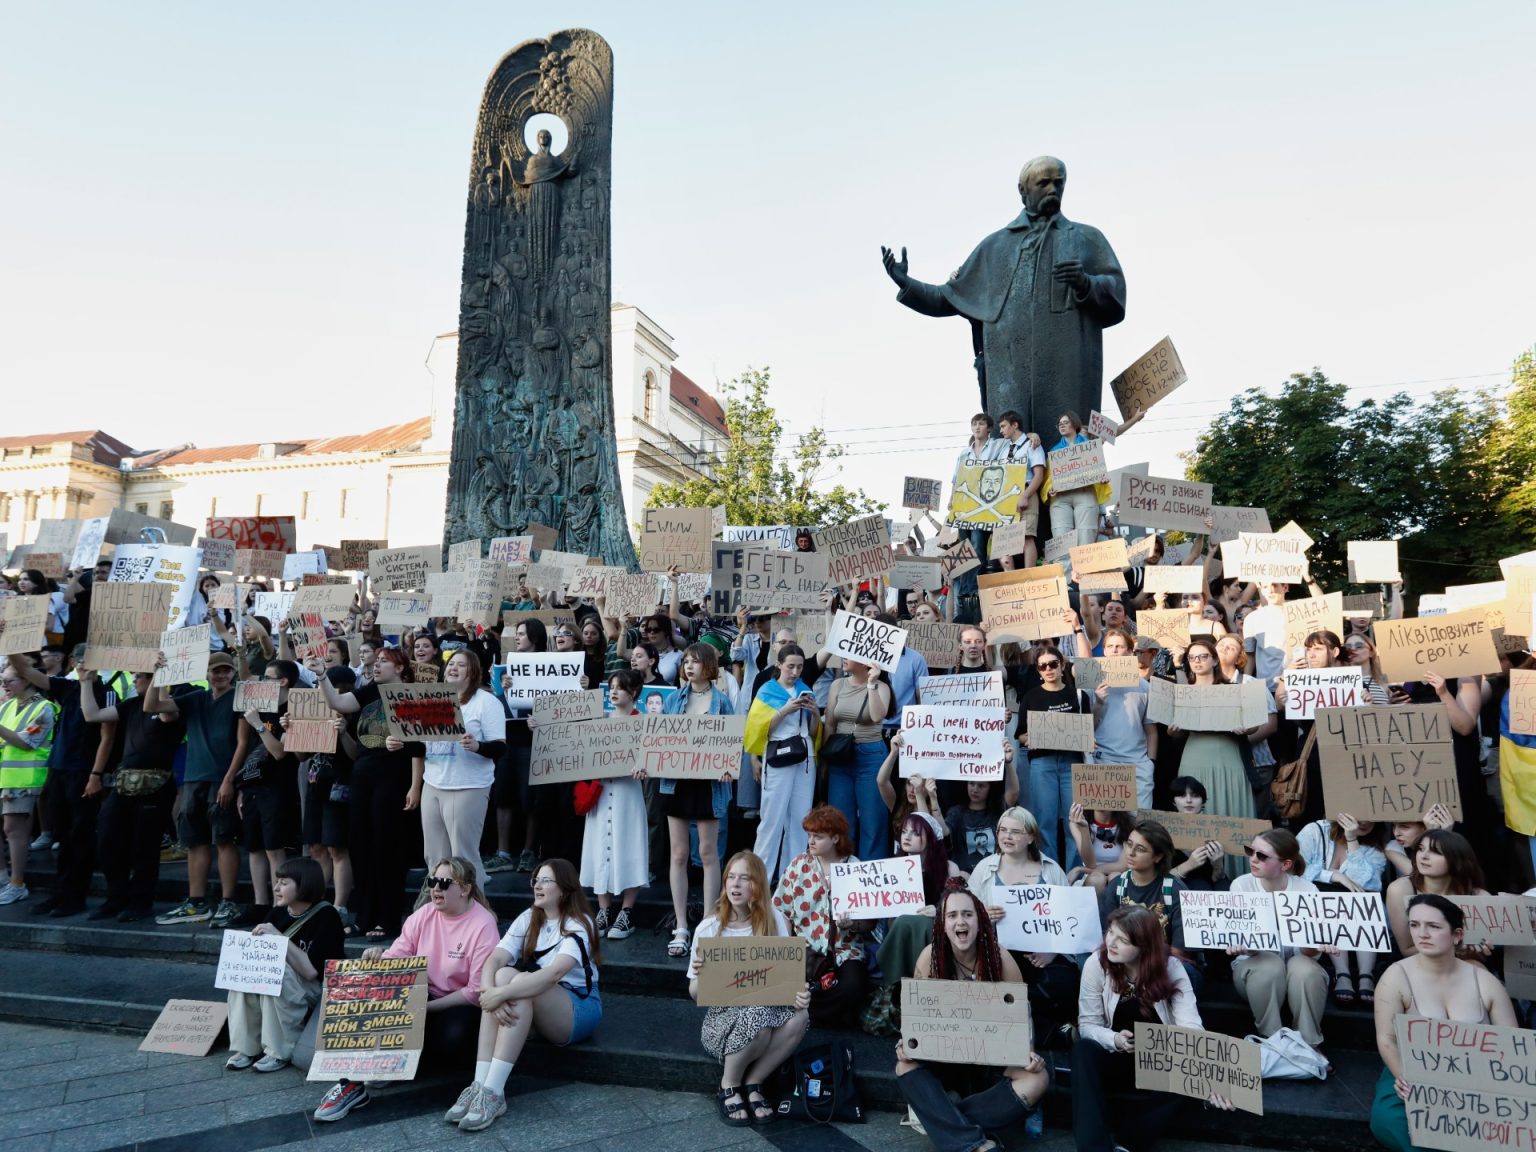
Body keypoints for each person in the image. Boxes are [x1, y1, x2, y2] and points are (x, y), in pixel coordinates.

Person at [881, 154, 1126, 438]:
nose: (1052, 190)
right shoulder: (995, 247)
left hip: (1067, 373)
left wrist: (1086, 283)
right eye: (1043, 183)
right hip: (1009, 378)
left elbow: (1116, 290)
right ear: (1023, 190)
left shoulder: (1086, 238)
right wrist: (906, 283)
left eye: (1059, 183)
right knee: (1009, 462)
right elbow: (947, 299)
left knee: (1071, 460)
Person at [311, 856, 500, 1122]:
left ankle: (400, 1065)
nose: (435, 888)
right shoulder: (424, 914)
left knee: (453, 1035)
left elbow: (475, 991)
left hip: (458, 1003)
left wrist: (425, 1008)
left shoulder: (482, 924)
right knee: (370, 992)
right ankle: (350, 1084)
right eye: (432, 881)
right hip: (420, 992)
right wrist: (379, 959)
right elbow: (399, 954)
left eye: (444, 883)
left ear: (465, 888)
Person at [446, 858, 602, 1132]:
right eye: (536, 880)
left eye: (545, 881)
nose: (537, 886)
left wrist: (501, 994)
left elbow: (553, 974)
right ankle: (480, 1084)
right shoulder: (531, 916)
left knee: (518, 982)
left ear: (565, 889)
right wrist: (488, 992)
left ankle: (494, 1092)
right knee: (504, 974)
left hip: (578, 1008)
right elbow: (494, 958)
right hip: (541, 1001)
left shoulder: (580, 923)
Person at [894, 878, 1050, 1151]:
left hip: (990, 1057)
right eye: (952, 915)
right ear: (942, 924)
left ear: (980, 921)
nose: (960, 922)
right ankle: (977, 1145)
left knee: (1038, 1079)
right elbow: (916, 1020)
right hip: (945, 1055)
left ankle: (945, 1120)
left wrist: (1028, 1051)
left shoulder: (1000, 959)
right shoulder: (929, 958)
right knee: (904, 1066)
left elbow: (1021, 1014)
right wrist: (906, 1043)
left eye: (967, 914)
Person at [1074, 906, 1230, 1152]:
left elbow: (1190, 1029)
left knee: (1187, 1076)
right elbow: (1088, 1025)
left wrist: (1209, 1078)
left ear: (1144, 946)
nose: (1111, 943)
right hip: (1117, 1055)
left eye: (1122, 940)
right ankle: (1094, 1148)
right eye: (1110, 932)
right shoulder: (1097, 963)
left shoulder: (1171, 968)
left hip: (1158, 1062)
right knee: (1084, 1050)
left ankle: (1127, 1142)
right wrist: (1114, 1039)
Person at [1369, 893, 1517, 1152]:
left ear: (1457, 935)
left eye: (1433, 926)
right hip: (1410, 1075)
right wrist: (1406, 1077)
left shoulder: (1485, 982)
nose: (1421, 934)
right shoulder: (1396, 976)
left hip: (1477, 1081)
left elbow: (1512, 1045)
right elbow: (1386, 1038)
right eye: (1414, 925)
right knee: (1396, 1123)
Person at [688, 851, 810, 1127]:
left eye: (745, 878)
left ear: (758, 885)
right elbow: (695, 995)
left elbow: (789, 977)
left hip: (768, 1006)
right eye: (731, 877)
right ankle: (729, 1085)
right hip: (722, 1019)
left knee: (800, 1016)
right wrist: (700, 976)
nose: (736, 885)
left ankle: (754, 1082)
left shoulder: (775, 919)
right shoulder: (708, 928)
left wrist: (800, 993)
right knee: (759, 1019)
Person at [320, 646, 423, 938]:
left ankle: (387, 919)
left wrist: (415, 786)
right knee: (361, 848)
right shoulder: (367, 692)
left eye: (384, 662)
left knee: (387, 850)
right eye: (375, 661)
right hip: (362, 778)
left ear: (400, 668)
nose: (376, 666)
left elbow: (419, 749)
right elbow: (337, 701)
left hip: (393, 779)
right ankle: (364, 917)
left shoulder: (411, 695)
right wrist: (321, 677)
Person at [8, 648, 111, 918]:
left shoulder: (106, 691)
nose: (84, 666)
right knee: (62, 835)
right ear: (73, 662)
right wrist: (9, 645)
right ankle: (61, 894)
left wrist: (96, 775)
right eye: (79, 661)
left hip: (84, 772)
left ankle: (75, 897)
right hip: (59, 769)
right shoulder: (68, 687)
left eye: (90, 661)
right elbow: (28, 672)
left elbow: (107, 738)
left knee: (80, 836)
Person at [147, 652, 247, 927]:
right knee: (195, 841)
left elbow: (242, 742)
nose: (221, 675)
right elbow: (153, 705)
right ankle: (196, 901)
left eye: (227, 671)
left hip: (221, 777)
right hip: (194, 777)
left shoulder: (238, 697)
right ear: (206, 673)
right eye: (217, 671)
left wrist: (229, 779)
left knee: (225, 840)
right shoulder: (195, 698)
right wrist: (158, 675)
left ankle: (228, 901)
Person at [80, 668, 183, 921]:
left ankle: (140, 902)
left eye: (141, 676)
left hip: (155, 786)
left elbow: (159, 710)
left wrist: (161, 674)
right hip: (124, 783)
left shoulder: (171, 705)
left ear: (154, 679)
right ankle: (116, 897)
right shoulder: (129, 705)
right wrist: (84, 681)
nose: (135, 679)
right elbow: (92, 715)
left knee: (144, 847)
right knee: (107, 840)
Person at [224, 858, 344, 1073]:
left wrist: (280, 939)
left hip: (318, 989)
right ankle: (247, 1048)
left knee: (275, 974)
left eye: (284, 883)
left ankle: (279, 1051)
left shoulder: (327, 916)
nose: (277, 888)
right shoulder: (278, 912)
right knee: (246, 974)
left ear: (304, 884)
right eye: (276, 882)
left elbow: (310, 972)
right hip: (289, 982)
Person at [968, 806, 1077, 1038]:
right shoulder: (983, 869)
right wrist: (983, 917)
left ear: (1030, 837)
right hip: (997, 954)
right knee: (988, 987)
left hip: (1041, 957)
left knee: (1065, 983)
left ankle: (1008, 1028)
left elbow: (1069, 921)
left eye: (1015, 832)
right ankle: (1047, 1032)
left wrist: (1052, 952)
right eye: (1002, 830)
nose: (1007, 836)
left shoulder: (1051, 870)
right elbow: (965, 918)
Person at [660, 644, 735, 959]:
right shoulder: (673, 699)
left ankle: (706, 923)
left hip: (708, 785)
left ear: (709, 666)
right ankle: (681, 925)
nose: (690, 666)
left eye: (696, 661)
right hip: (676, 782)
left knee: (707, 852)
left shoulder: (723, 702)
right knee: (678, 853)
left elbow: (733, 742)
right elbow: (659, 739)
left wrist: (728, 768)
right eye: (686, 662)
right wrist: (645, 762)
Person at [1227, 829, 1331, 1048]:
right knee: (1269, 964)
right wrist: (1243, 947)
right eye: (1250, 851)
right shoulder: (1241, 885)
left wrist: (1315, 944)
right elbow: (1247, 943)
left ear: (1285, 865)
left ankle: (1309, 1045)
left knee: (1305, 967)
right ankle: (1272, 1042)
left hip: (1297, 970)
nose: (1253, 859)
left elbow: (1310, 954)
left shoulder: (1308, 890)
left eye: (1262, 856)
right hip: (1255, 972)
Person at [770, 805, 872, 1028]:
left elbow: (869, 923)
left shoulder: (855, 868)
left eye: (818, 836)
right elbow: (781, 909)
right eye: (809, 835)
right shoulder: (799, 865)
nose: (811, 841)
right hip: (806, 950)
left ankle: (808, 1015)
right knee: (782, 981)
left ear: (835, 838)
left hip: (845, 950)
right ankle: (829, 1015)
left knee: (853, 987)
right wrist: (787, 949)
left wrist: (853, 923)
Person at [419, 651, 505, 890]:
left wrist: (478, 746)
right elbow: (421, 742)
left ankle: (477, 911)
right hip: (433, 783)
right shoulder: (433, 699)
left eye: (461, 665)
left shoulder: (486, 703)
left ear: (473, 671)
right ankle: (442, 910)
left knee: (463, 857)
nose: (453, 668)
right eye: (450, 664)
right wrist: (400, 743)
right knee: (434, 856)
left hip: (468, 786)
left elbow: (500, 747)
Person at [1296, 813, 1392, 1004]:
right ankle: (1343, 973)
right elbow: (1294, 869)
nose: (1364, 821)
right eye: (1358, 814)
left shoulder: (1376, 845)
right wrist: (1333, 876)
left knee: (1365, 898)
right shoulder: (1315, 831)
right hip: (1316, 908)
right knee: (1332, 898)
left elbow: (1366, 882)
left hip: (1359, 910)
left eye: (1371, 815)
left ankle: (1366, 974)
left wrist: (1352, 839)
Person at [580, 671, 647, 940]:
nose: (614, 692)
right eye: (612, 687)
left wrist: (644, 767)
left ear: (634, 693)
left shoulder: (643, 723)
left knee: (628, 844)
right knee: (599, 845)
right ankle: (604, 909)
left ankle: (627, 911)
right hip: (601, 789)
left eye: (621, 688)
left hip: (627, 792)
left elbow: (652, 757)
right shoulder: (601, 721)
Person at [746, 644, 820, 883]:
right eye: (790, 666)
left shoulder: (805, 689)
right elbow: (757, 731)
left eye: (799, 666)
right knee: (771, 819)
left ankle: (792, 883)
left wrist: (816, 713)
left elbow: (813, 731)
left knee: (801, 820)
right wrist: (785, 710)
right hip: (778, 753)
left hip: (804, 755)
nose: (795, 671)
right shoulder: (767, 690)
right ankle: (760, 883)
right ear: (779, 665)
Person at [1018, 644, 1091, 869]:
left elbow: (1087, 730)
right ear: (1038, 671)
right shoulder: (1031, 697)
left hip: (1073, 764)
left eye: (1053, 664)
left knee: (1075, 821)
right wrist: (1031, 738)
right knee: (1045, 821)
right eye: (1042, 666)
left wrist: (1087, 739)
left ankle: (1075, 874)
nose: (1048, 669)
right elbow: (1020, 734)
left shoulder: (1079, 696)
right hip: (1043, 763)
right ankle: (1051, 874)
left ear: (1062, 666)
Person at [823, 656, 893, 863]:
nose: (844, 658)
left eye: (850, 655)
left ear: (866, 662)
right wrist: (825, 760)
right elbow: (829, 724)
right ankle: (841, 871)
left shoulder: (882, 687)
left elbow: (877, 716)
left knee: (873, 822)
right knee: (841, 821)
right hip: (840, 756)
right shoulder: (837, 684)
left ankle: (869, 879)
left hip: (870, 756)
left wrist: (871, 684)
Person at [0, 657, 57, 905]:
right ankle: (3, 877)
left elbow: (26, 741)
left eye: (8, 680)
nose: (4, 685)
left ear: (26, 680)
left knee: (14, 830)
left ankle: (17, 883)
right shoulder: (6, 706)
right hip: (3, 776)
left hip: (23, 778)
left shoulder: (43, 708)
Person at [1384, 828, 1488, 958]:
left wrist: (1481, 947)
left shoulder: (1479, 897)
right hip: (1418, 965)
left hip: (1465, 965)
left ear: (1457, 861)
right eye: (1421, 849)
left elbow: (1486, 948)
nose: (1423, 856)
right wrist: (1454, 946)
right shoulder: (1400, 889)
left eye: (1435, 852)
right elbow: (1407, 950)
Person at [1087, 626, 1157, 808]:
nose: (1114, 650)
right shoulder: (1091, 683)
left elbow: (1151, 731)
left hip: (1137, 764)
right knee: (1107, 825)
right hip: (1103, 760)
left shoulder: (1144, 687)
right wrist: (1099, 703)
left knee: (1138, 821)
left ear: (1130, 651)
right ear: (1103, 651)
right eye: (1110, 646)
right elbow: (1085, 729)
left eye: (1119, 646)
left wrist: (1151, 762)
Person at [1045, 411, 1102, 546]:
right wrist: (1049, 488)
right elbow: (1048, 477)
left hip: (1085, 492)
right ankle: (1065, 567)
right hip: (1061, 496)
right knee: (1061, 537)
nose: (1062, 426)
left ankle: (1084, 567)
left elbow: (1098, 469)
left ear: (1075, 424)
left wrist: (1102, 478)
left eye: (1066, 422)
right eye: (1059, 424)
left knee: (1086, 535)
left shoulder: (1091, 446)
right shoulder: (1054, 451)